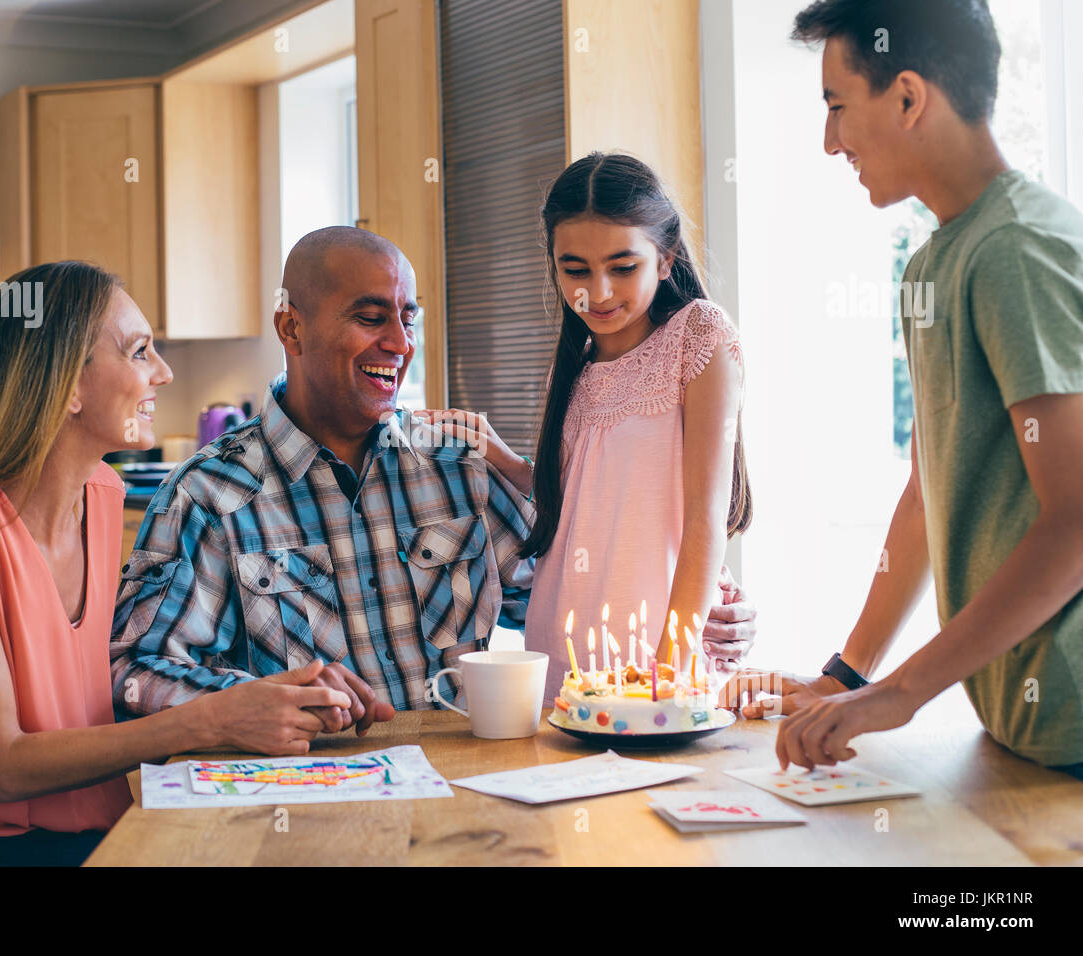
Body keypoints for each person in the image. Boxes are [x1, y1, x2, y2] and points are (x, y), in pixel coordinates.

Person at [111, 226, 759, 723]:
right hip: (306, 797)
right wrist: (257, 700)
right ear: (292, 328)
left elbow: (573, 589)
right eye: (371, 318)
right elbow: (136, 671)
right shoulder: (209, 493)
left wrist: (692, 614)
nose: (400, 342)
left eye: (408, 317)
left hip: (464, 782)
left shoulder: (458, 467)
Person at [0, 261, 352, 867]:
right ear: (67, 386)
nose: (163, 372)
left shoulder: (103, 495)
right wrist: (209, 721)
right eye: (139, 352)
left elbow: (112, 681)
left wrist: (259, 695)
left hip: (82, 825)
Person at [721, 0, 1083, 779]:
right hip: (1021, 733)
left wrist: (900, 695)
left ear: (910, 98)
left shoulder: (1018, 249)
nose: (829, 142)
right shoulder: (928, 268)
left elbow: (1078, 518)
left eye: (836, 108)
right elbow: (928, 494)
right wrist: (848, 679)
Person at [420, 153, 755, 701]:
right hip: (563, 632)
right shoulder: (572, 364)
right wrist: (500, 456)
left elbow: (705, 517)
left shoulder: (700, 335)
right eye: (575, 270)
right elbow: (575, 502)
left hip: (657, 649)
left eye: (623, 268)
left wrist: (669, 669)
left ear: (665, 259)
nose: (597, 293)